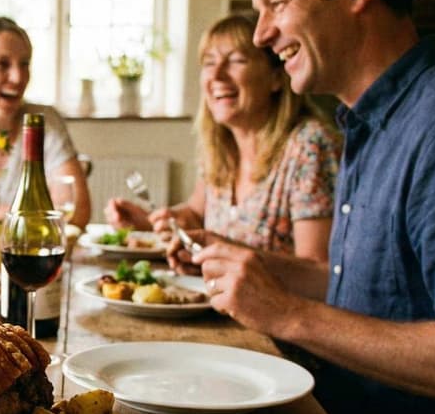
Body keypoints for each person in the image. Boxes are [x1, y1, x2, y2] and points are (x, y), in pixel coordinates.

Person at [173, 0, 435, 414]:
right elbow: (372, 288)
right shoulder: (368, 120)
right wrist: (251, 263)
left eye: (276, 5)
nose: (263, 34)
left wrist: (287, 313)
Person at [106, 14, 341, 261]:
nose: (216, 75)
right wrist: (147, 221)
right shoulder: (220, 148)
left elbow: (318, 269)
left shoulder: (310, 146)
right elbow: (196, 214)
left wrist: (225, 253)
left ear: (276, 78)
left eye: (237, 61)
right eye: (209, 62)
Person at [0, 16, 92, 227]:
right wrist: (1, 213)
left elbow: (76, 211)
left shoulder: (43, 123)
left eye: (24, 64)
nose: (18, 77)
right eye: (2, 64)